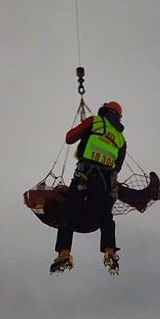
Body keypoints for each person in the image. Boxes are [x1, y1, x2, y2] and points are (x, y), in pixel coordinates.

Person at [50, 101, 127, 276]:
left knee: (69, 211)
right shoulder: (121, 139)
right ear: (118, 116)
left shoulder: (95, 122)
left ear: (104, 111)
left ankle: (64, 253)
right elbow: (118, 166)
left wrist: (86, 133)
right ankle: (110, 251)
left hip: (86, 174)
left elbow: (70, 138)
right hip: (105, 180)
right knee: (106, 216)